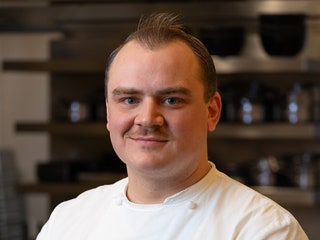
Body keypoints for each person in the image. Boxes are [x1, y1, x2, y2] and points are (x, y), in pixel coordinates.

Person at [36, 13, 308, 239]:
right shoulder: (68, 221)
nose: (147, 119)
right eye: (129, 99)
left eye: (171, 99)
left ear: (211, 112)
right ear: (109, 113)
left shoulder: (263, 229)